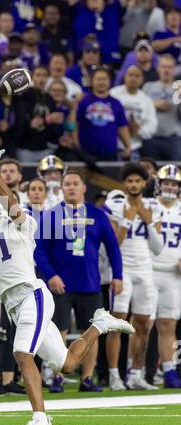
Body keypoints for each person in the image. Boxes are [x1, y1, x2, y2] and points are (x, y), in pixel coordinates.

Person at [0, 137, 134, 425]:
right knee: (67, 364)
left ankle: (40, 419)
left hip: (32, 295)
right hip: (14, 304)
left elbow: (10, 203)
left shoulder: (25, 227)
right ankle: (100, 323)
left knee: (22, 354)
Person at [34, 170, 124, 392]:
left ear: (84, 188)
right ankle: (58, 377)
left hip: (90, 284)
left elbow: (113, 247)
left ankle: (87, 378)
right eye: (67, 184)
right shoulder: (50, 215)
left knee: (90, 332)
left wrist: (118, 276)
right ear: (61, 188)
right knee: (59, 333)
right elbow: (39, 252)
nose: (71, 187)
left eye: (76, 184)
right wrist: (51, 275)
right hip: (60, 285)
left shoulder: (98, 215)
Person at [105, 162, 164, 391]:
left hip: (145, 269)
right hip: (122, 270)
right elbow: (113, 244)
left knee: (143, 324)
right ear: (124, 183)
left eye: (137, 181)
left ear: (144, 182)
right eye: (129, 181)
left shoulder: (152, 207)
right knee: (118, 322)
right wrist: (128, 219)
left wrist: (148, 221)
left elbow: (158, 248)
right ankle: (113, 375)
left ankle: (135, 374)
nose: (133, 184)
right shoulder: (115, 205)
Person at [152, 164, 181, 388]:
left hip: (173, 274)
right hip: (149, 271)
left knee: (168, 324)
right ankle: (136, 369)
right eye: (167, 183)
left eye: (174, 183)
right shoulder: (149, 207)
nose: (170, 187)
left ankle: (169, 371)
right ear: (159, 185)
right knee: (142, 323)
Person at [110, 65, 158, 160]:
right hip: (113, 144)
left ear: (142, 80)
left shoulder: (146, 100)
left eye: (137, 76)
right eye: (130, 75)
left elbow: (152, 125)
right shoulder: (113, 94)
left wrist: (139, 131)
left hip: (134, 147)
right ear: (125, 77)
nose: (133, 78)